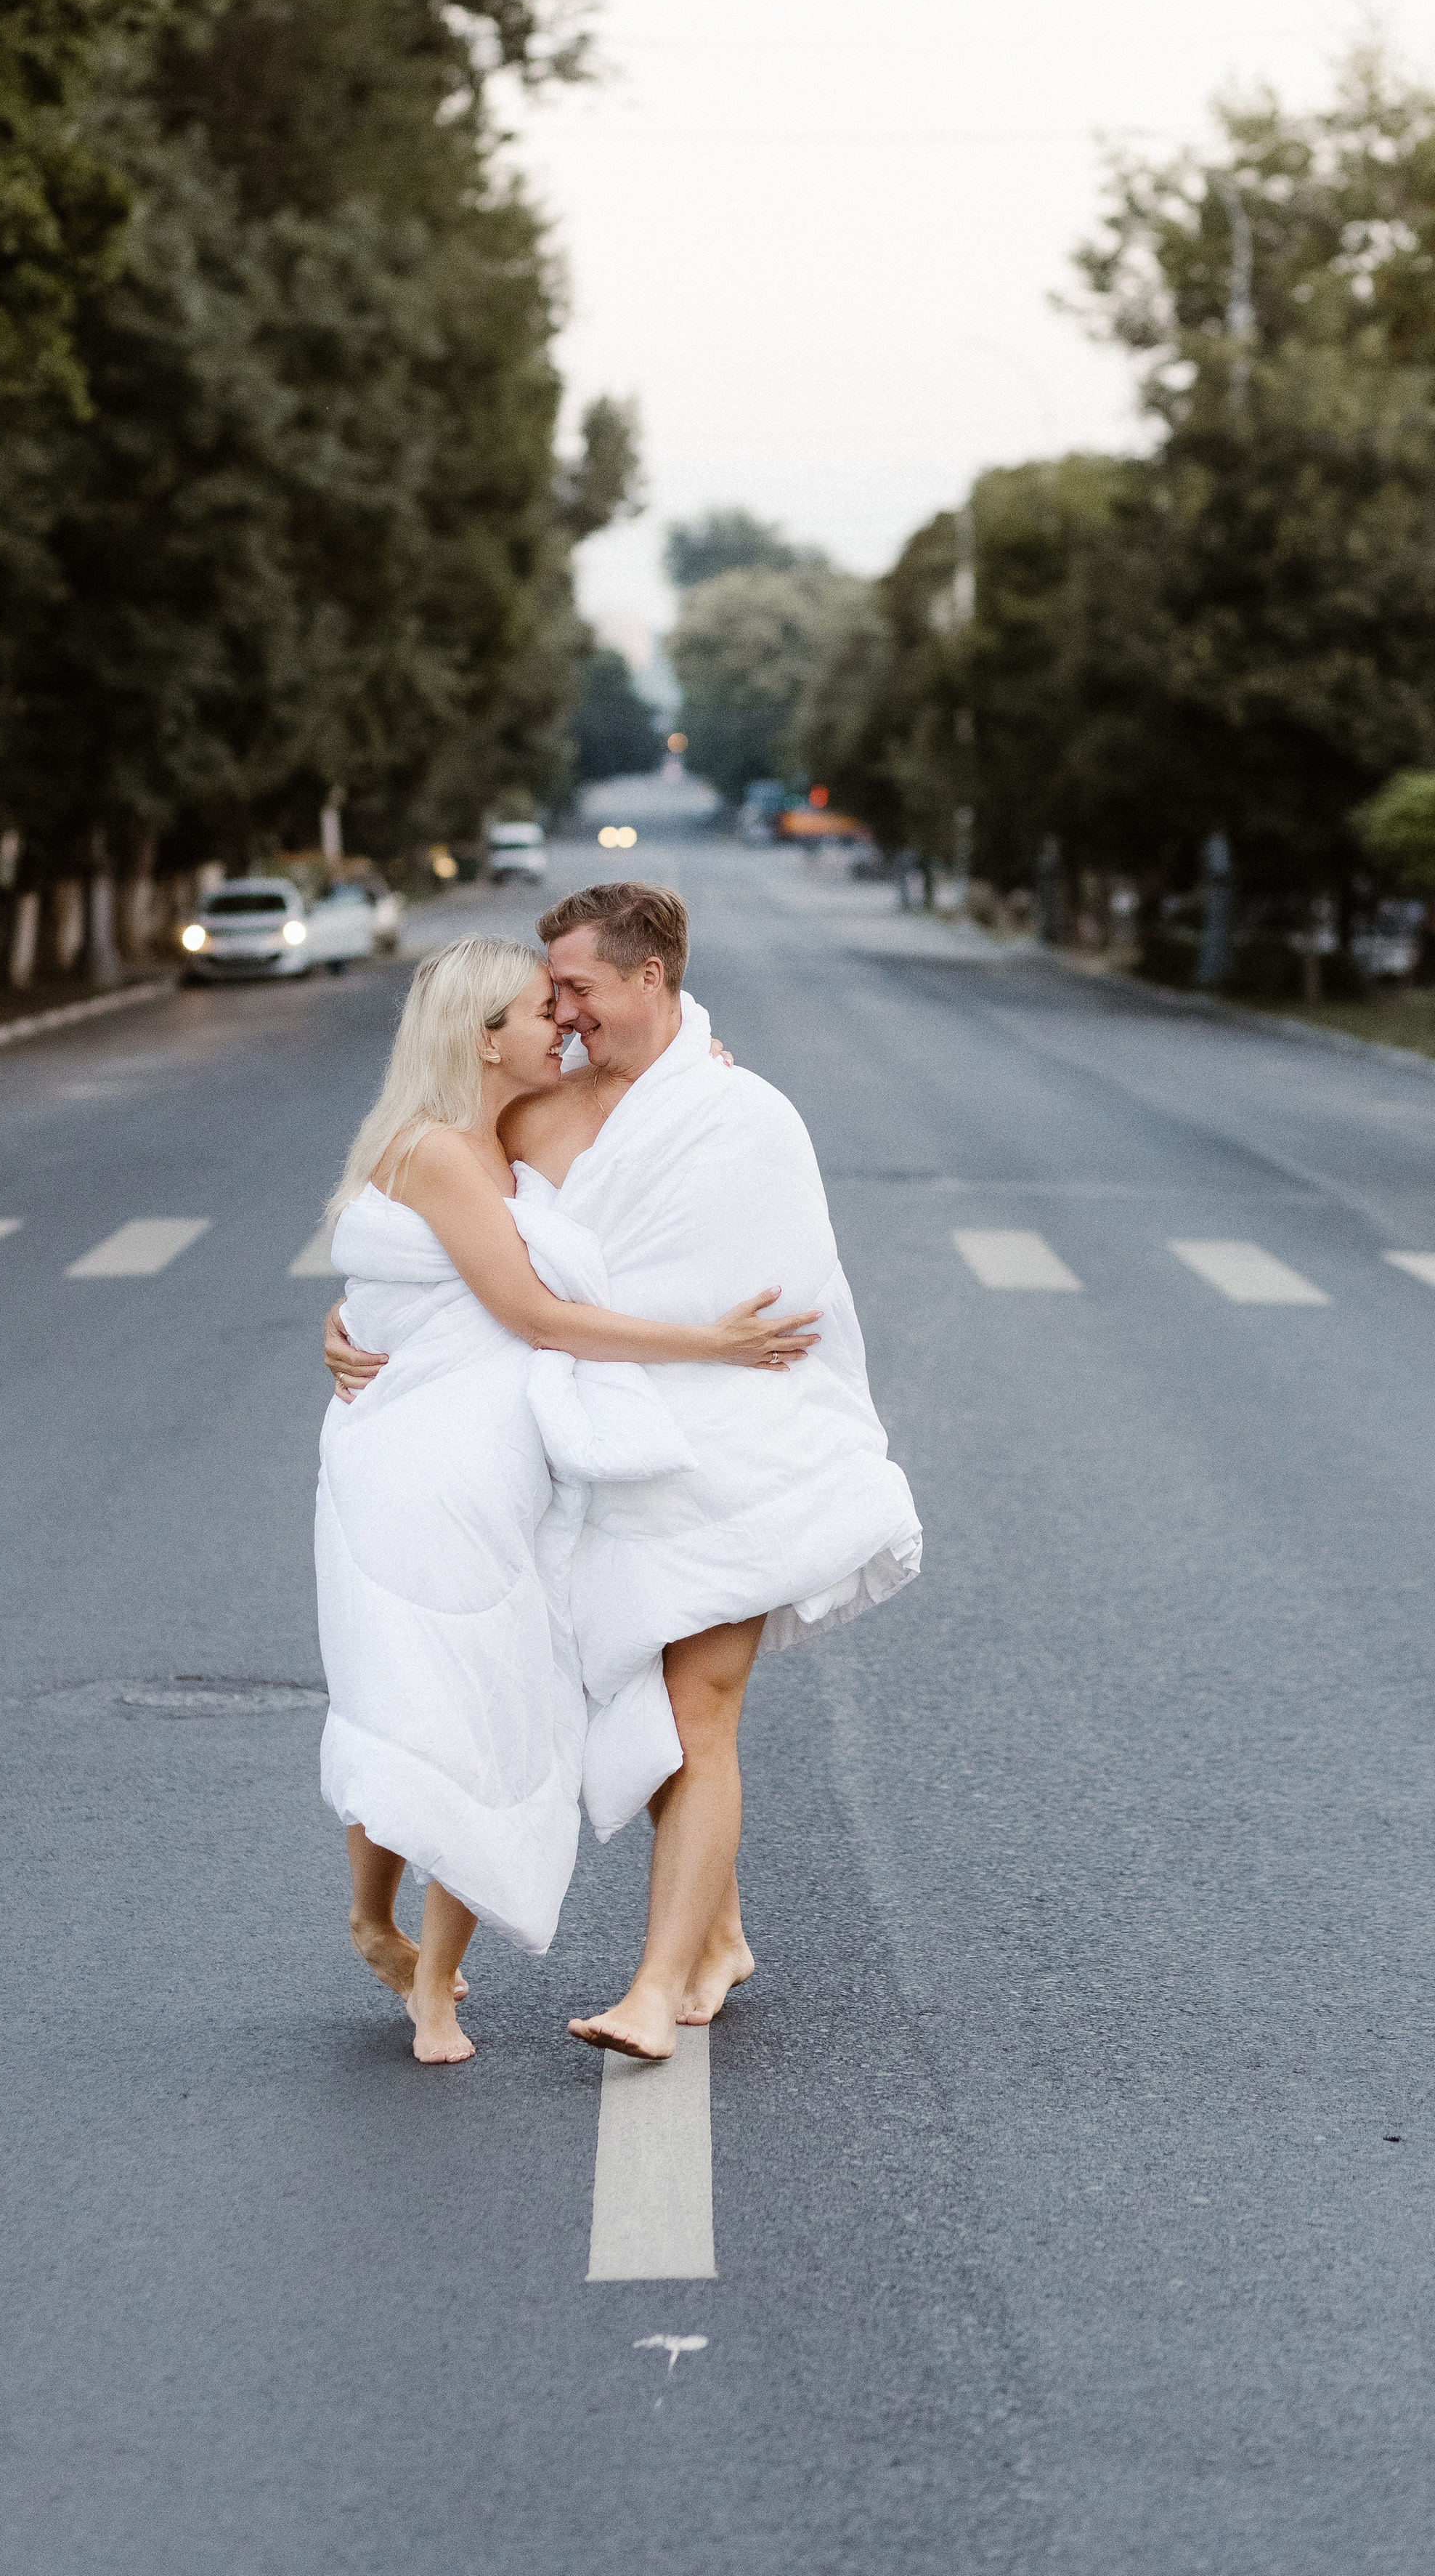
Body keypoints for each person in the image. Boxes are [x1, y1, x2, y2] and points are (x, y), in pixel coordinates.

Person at [327, 883, 922, 2062]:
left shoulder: (740, 1112)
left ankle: (656, 1990)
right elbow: (442, 1250)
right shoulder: (539, 1109)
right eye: (550, 998)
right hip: (588, 1453)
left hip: (736, 1447)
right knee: (644, 1707)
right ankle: (721, 1931)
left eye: (579, 991)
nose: (564, 1014)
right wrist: (349, 1326)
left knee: (700, 1710)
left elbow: (783, 1290)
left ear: (653, 981)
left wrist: (714, 1349)